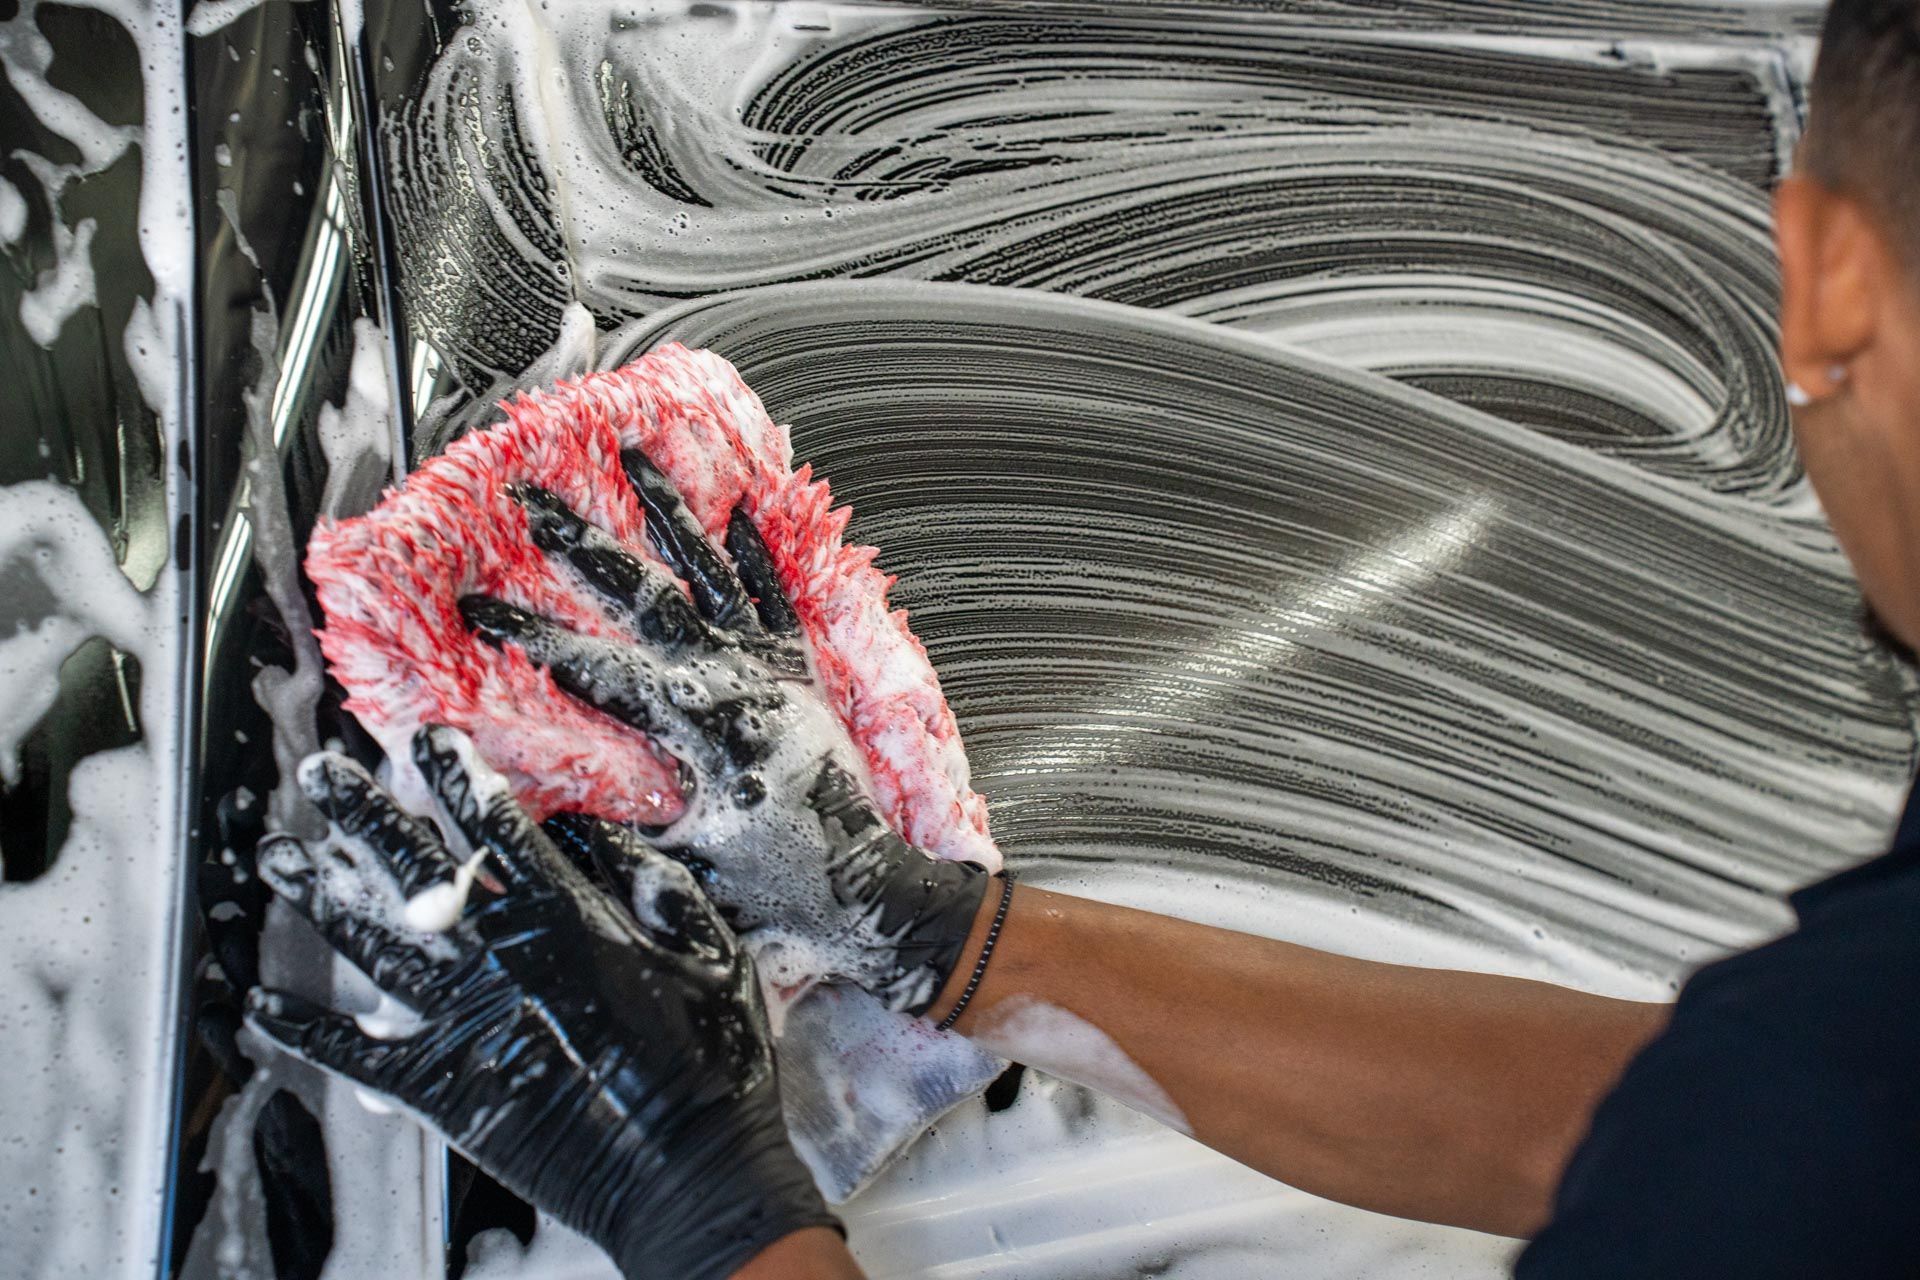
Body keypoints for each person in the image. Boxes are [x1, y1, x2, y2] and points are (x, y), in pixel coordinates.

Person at [245, 1, 1920, 1275]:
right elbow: (1720, 1121)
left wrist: (704, 1205)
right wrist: (959, 942)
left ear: (1822, 278)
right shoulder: (1839, 1077)